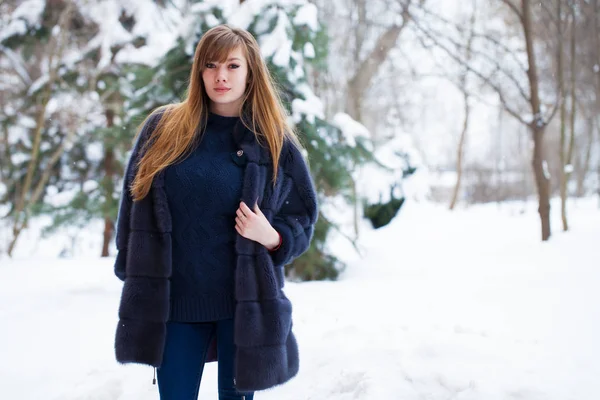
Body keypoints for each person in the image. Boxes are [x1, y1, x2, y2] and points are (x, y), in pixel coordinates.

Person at [112, 24, 318, 400]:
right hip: (176, 302)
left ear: (251, 71)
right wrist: (134, 273)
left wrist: (271, 236)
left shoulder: (272, 139)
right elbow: (133, 204)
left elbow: (302, 216)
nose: (220, 76)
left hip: (243, 307)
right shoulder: (163, 128)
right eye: (210, 65)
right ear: (199, 72)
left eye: (233, 66)